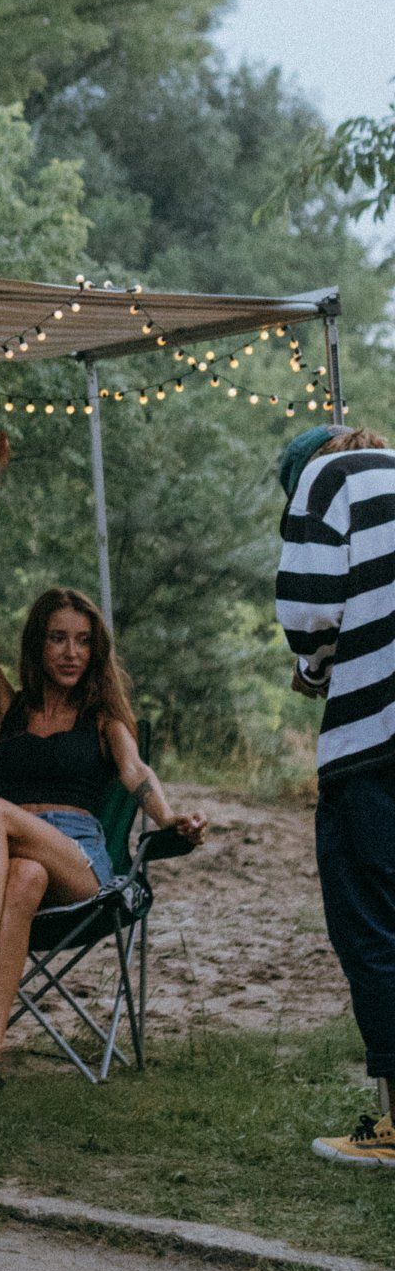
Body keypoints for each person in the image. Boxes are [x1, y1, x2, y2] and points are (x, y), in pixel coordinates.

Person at [0, 431, 206, 1098]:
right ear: (38, 643)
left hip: (82, 868)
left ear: (95, 651)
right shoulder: (4, 707)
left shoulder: (103, 720)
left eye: (83, 641)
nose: (70, 651)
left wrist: (169, 819)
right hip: (14, 873)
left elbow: (137, 775)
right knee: (21, 879)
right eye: (58, 638)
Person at [276, 421, 395, 1169]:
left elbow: (309, 610)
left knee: (375, 933)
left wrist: (314, 670)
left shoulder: (324, 484)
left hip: (375, 746)